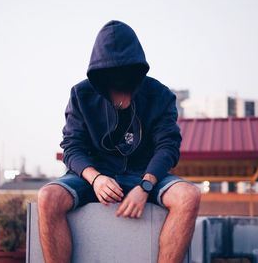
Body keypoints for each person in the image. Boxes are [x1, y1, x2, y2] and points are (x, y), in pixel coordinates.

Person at [37, 20, 201, 263]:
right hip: (94, 175)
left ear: (137, 66)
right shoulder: (81, 94)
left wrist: (145, 186)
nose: (118, 74)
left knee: (189, 196)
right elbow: (72, 147)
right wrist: (95, 178)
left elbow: (168, 147)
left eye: (125, 68)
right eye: (110, 69)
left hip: (144, 174)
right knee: (47, 197)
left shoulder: (160, 95)